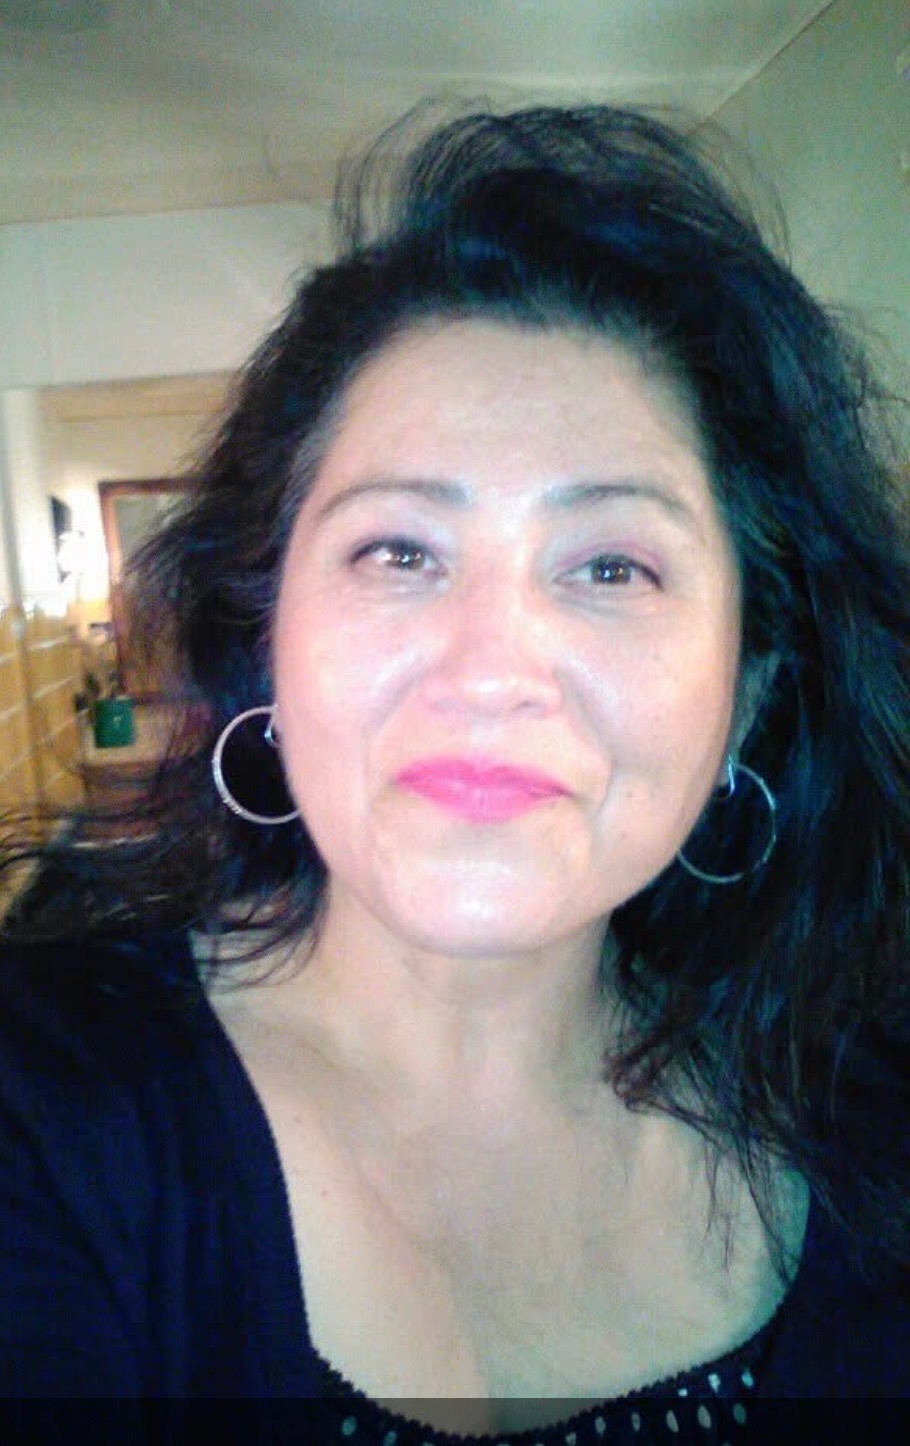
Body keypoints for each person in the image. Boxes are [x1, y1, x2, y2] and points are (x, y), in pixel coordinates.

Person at [1, 102, 909, 1434]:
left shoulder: (872, 1120)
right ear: (269, 633)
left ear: (748, 687)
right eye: (399, 551)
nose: (489, 669)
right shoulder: (39, 1115)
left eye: (612, 566)